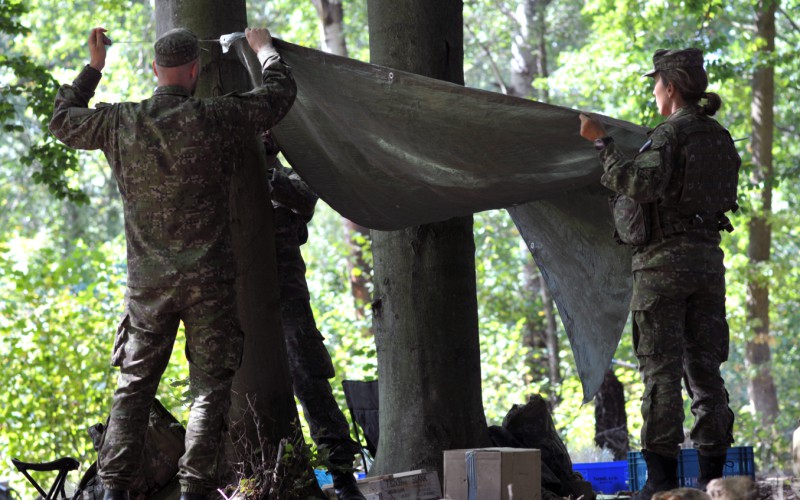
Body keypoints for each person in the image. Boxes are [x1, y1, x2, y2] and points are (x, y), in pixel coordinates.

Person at [49, 26, 296, 500]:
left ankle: (116, 490)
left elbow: (61, 120)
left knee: (134, 388)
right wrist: (264, 51)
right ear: (195, 71)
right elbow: (279, 95)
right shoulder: (215, 116)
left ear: (155, 71)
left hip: (150, 288)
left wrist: (94, 67)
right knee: (208, 391)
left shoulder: (121, 122)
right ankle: (194, 491)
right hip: (210, 283)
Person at [578, 48, 739, 498]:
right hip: (708, 263)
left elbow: (638, 184)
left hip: (662, 264)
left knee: (662, 372)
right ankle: (713, 480)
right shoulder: (720, 137)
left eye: (656, 83)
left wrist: (602, 144)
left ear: (670, 86)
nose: (653, 90)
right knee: (706, 372)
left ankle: (662, 483)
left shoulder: (670, 135)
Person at [263, 134, 365, 500]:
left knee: (310, 381)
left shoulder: (293, 176)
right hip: (240, 298)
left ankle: (341, 475)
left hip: (288, 300)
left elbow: (304, 201)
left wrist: (264, 172)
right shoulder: (224, 170)